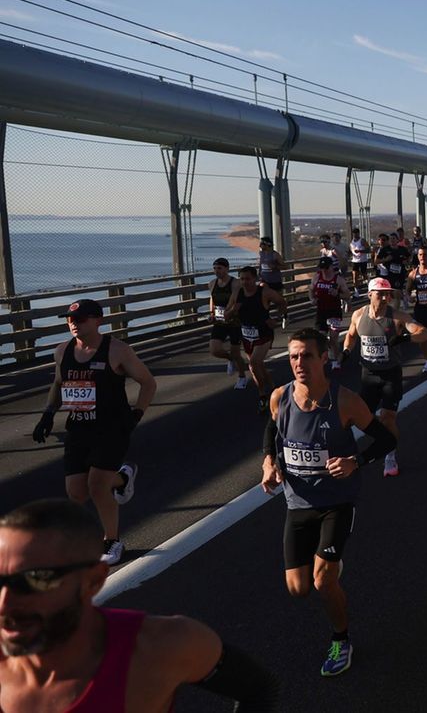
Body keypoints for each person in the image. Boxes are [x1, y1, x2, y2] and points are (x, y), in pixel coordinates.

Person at [0, 499, 279, 709]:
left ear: (94, 581)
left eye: (36, 579)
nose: (5, 603)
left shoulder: (160, 647)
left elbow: (257, 689)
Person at [261, 327, 398, 677]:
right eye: (293, 356)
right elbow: (271, 429)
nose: (299, 363)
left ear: (324, 358)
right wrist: (269, 462)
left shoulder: (346, 401)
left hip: (337, 501)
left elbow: (384, 439)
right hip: (298, 503)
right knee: (298, 588)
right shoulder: (281, 396)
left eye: (307, 355)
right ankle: (330, 564)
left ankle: (341, 639)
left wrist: (356, 461)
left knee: (323, 582)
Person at [31, 299, 154, 566]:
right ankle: (122, 478)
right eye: (70, 319)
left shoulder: (117, 350)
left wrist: (137, 414)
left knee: (97, 486)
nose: (74, 323)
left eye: (81, 319)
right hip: (79, 427)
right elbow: (58, 382)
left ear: (98, 321)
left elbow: (148, 383)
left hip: (111, 427)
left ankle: (112, 540)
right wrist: (47, 415)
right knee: (76, 492)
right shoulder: (62, 351)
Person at [341, 278, 427, 477]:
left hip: (390, 376)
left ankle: (390, 455)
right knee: (358, 416)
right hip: (368, 376)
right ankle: (379, 442)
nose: (384, 298)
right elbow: (351, 335)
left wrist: (406, 337)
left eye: (387, 294)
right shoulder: (358, 315)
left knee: (387, 418)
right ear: (369, 294)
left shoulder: (397, 316)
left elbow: (425, 334)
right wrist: (346, 351)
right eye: (380, 293)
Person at [226, 266, 288, 413]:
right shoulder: (238, 293)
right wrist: (234, 310)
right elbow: (227, 313)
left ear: (255, 279)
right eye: (242, 279)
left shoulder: (264, 292)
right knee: (258, 367)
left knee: (254, 363)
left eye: (248, 279)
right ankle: (273, 388)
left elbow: (281, 301)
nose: (245, 282)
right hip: (247, 335)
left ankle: (262, 395)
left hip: (264, 333)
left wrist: (280, 317)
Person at [207, 256, 247, 388]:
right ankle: (230, 359)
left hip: (234, 322)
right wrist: (212, 314)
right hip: (219, 321)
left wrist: (229, 312)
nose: (216, 271)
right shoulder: (212, 283)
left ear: (227, 269)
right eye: (214, 268)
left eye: (219, 268)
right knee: (214, 350)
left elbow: (235, 301)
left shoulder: (235, 283)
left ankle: (242, 377)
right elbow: (212, 299)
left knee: (236, 353)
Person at [309, 256, 350, 370]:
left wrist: (337, 294)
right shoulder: (317, 277)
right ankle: (329, 355)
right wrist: (312, 299)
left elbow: (347, 295)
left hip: (334, 312)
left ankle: (337, 360)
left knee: (333, 338)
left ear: (332, 267)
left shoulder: (338, 279)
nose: (324, 271)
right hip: (321, 311)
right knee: (320, 339)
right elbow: (311, 290)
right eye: (322, 268)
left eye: (326, 268)